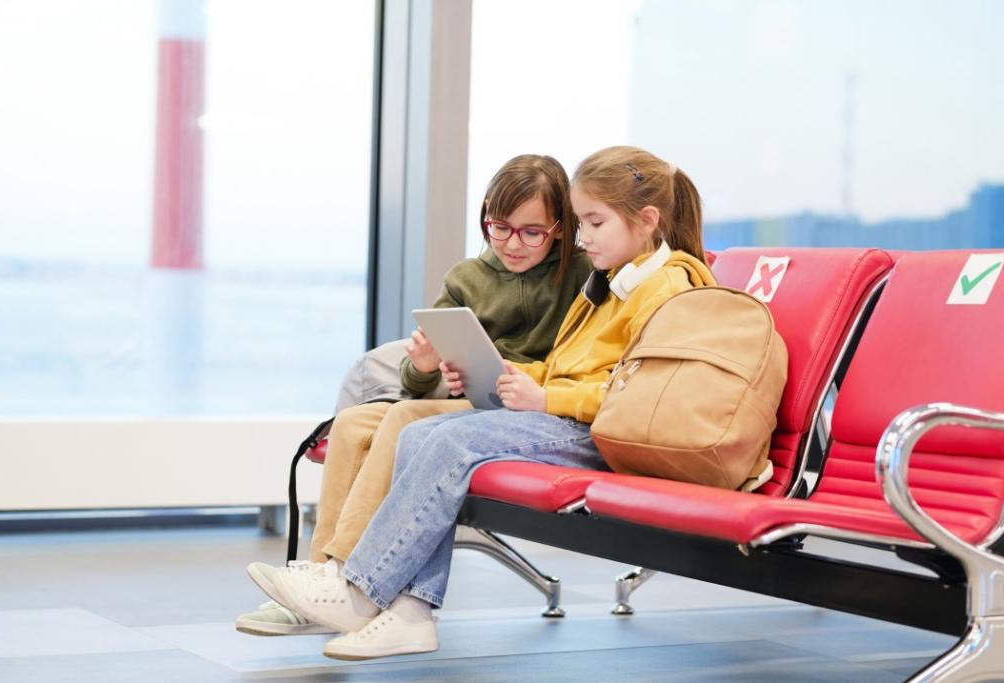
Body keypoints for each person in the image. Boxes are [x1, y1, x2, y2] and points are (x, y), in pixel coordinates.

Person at [263, 146, 717, 659]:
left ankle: (360, 590)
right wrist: (524, 376)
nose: (585, 235)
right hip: (561, 411)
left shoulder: (663, 288)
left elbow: (634, 393)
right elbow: (577, 363)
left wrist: (545, 395)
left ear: (646, 220)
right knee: (417, 433)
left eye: (593, 221)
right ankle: (409, 613)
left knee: (448, 440)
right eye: (582, 222)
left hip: (596, 428)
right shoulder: (617, 281)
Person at [237, 154, 593, 636]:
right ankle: (320, 572)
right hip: (463, 401)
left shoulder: (580, 278)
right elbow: (415, 383)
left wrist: (520, 376)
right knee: (354, 421)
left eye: (532, 232)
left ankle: (345, 571)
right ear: (486, 216)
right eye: (500, 227)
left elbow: (579, 363)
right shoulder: (467, 279)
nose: (513, 243)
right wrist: (424, 368)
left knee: (405, 419)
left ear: (559, 228)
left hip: (525, 409)